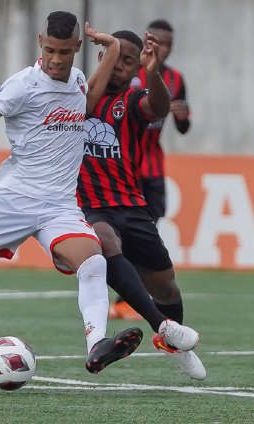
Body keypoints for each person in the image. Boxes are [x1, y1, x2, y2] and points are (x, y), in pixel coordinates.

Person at [0, 12, 153, 375]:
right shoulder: (23, 85)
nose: (57, 59)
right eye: (51, 50)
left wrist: (115, 47)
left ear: (77, 49)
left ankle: (97, 344)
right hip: (13, 203)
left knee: (94, 261)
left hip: (59, 207)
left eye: (65, 52)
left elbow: (85, 105)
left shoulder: (78, 81)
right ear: (41, 42)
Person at [77, 29, 206, 379]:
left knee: (165, 285)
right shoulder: (78, 96)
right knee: (105, 242)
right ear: (103, 57)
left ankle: (173, 341)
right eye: (114, 57)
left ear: (137, 69)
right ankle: (162, 327)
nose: (119, 66)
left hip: (131, 205)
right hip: (88, 206)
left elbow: (159, 108)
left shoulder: (131, 102)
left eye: (129, 62)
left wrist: (153, 72)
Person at [109, 19, 191, 321]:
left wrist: (181, 117)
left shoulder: (176, 78)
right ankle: (124, 300)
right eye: (158, 42)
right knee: (117, 237)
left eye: (169, 43)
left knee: (145, 236)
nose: (164, 48)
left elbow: (183, 125)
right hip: (124, 168)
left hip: (153, 168)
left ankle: (127, 300)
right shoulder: (129, 73)